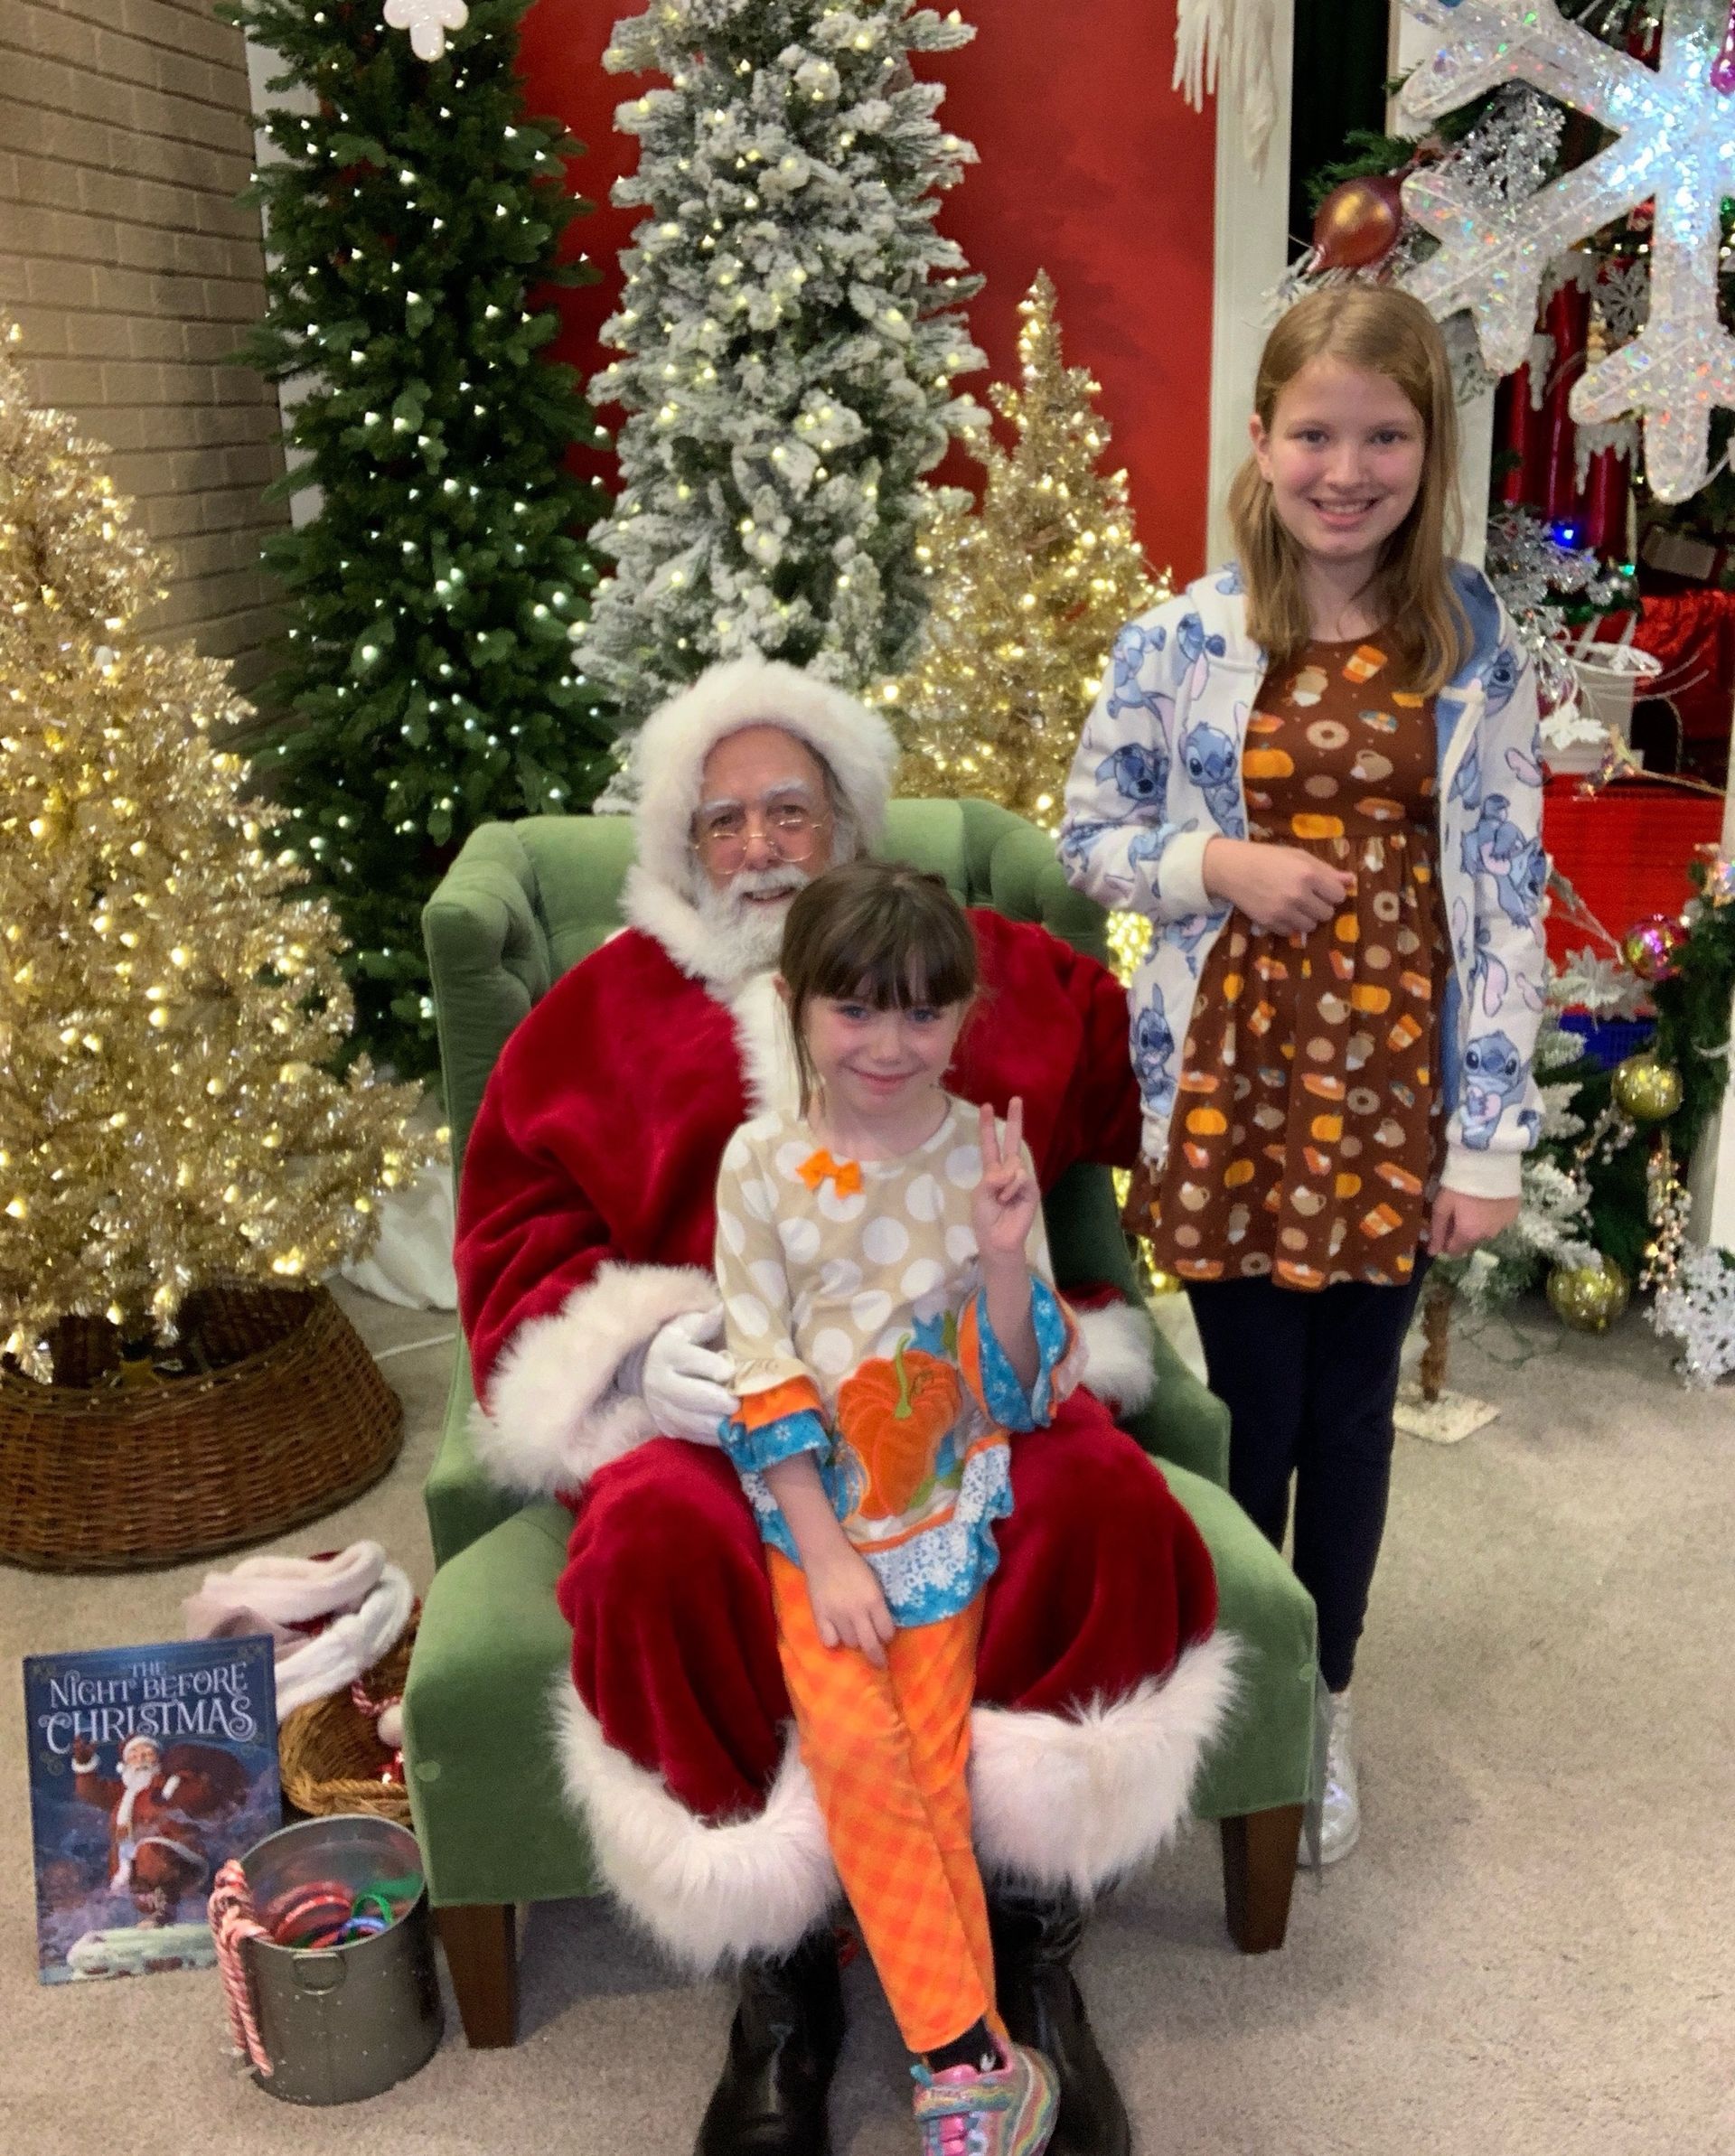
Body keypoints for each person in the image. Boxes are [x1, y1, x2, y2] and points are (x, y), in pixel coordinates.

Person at [455, 656, 1231, 2156]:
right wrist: (628, 1357)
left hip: (961, 1385)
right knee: (648, 1549)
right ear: (683, 839)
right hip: (717, 1413)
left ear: (848, 819)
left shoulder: (970, 964)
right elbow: (512, 1224)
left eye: (789, 810)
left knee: (1104, 1502)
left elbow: (1148, 1061)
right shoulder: (601, 1009)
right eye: (725, 817)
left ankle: (1028, 1934)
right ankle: (781, 1970)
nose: (758, 844)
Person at [1059, 285, 1545, 1865]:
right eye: (1316, 434)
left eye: (1384, 437)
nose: (1348, 471)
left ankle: (1321, 1698)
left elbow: (1509, 890)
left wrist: (1491, 1139)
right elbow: (1089, 840)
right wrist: (1218, 865)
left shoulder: (1471, 641)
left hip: (1398, 1084)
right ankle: (1231, 1689)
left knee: (1350, 1418)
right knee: (1247, 1408)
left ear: (1429, 450)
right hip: (1235, 1079)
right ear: (1262, 441)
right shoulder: (1183, 638)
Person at [717, 860, 1084, 2156]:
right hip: (815, 1521)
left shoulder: (986, 1150)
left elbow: (1023, 1389)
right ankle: (969, 2055)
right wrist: (823, 1555)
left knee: (928, 1764)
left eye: (924, 1013)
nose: (889, 1044)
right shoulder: (759, 1164)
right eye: (856, 1010)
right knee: (854, 1747)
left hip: (940, 1519)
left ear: (964, 1013)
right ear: (794, 1004)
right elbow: (759, 1360)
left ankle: (967, 2073)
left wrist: (1004, 1255)